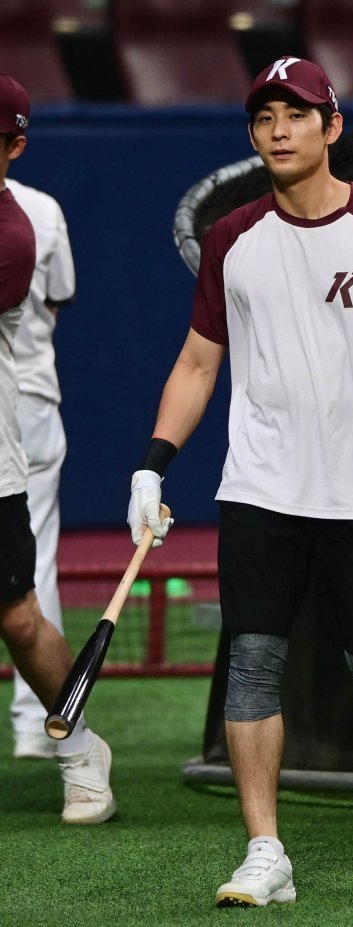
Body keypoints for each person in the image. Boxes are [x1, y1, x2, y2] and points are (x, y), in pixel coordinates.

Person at [127, 56, 353, 906]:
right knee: (251, 663)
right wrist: (151, 462)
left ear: (332, 127)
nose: (278, 130)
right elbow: (198, 361)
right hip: (262, 487)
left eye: (296, 114)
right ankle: (265, 849)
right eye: (264, 117)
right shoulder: (231, 240)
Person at [0, 72, 116, 824]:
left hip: (8, 427)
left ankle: (74, 744)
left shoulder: (18, 228)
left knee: (18, 610)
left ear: (12, 146)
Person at [5, 175, 75, 761]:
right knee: (35, 566)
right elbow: (56, 297)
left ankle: (53, 731)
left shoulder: (30, 212)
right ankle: (36, 724)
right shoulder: (43, 209)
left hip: (19, 403)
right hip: (29, 398)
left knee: (24, 579)